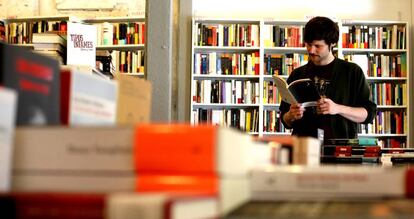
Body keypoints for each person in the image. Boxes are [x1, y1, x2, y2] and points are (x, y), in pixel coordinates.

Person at [279, 16, 376, 140]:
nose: (311, 50)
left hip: (340, 149)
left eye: (317, 46)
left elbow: (368, 114)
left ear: (332, 44)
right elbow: (285, 121)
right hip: (303, 148)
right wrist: (291, 115)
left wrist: (337, 108)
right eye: (308, 44)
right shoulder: (297, 74)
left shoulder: (352, 72)